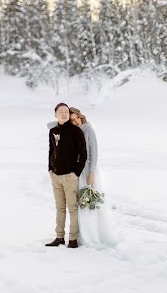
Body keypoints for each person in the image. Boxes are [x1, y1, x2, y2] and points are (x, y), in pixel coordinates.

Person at [47, 106, 117, 248]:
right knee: (78, 206)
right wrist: (50, 168)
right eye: (72, 120)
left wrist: (91, 173)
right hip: (74, 171)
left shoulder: (87, 130)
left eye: (77, 118)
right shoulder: (66, 130)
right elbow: (54, 128)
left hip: (87, 171)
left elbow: (93, 154)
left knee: (88, 203)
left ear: (81, 117)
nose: (75, 121)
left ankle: (92, 234)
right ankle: (78, 235)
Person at [45, 102, 87, 249]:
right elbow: (51, 151)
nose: (64, 113)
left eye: (66, 111)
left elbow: (83, 155)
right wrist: (50, 169)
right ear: (55, 114)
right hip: (55, 176)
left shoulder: (76, 131)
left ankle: (73, 239)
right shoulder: (53, 131)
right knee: (59, 208)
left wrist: (76, 173)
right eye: (61, 111)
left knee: (72, 208)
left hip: (70, 177)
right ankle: (59, 237)